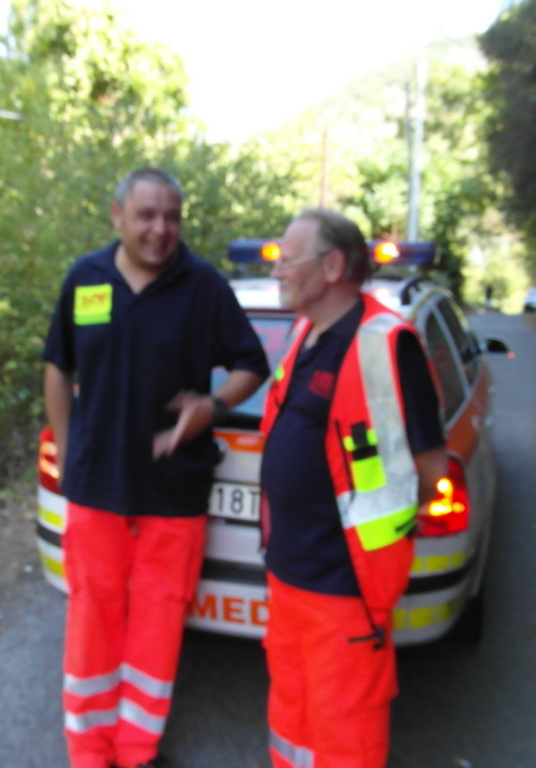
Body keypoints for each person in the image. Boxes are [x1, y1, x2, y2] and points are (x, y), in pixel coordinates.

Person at [42, 167, 269, 768]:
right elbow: (58, 367)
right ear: (117, 216)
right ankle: (89, 751)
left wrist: (213, 405)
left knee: (158, 619)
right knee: (92, 614)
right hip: (96, 486)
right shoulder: (85, 278)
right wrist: (68, 453)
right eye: (146, 215)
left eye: (171, 216)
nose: (160, 229)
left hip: (176, 486)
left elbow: (252, 364)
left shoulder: (204, 285)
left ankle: (137, 748)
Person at [259, 208, 447, 768]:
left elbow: (430, 469)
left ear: (333, 265)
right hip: (288, 576)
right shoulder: (305, 334)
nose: (277, 273)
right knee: (292, 723)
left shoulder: (387, 345)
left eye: (288, 261)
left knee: (345, 737)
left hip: (345, 588)